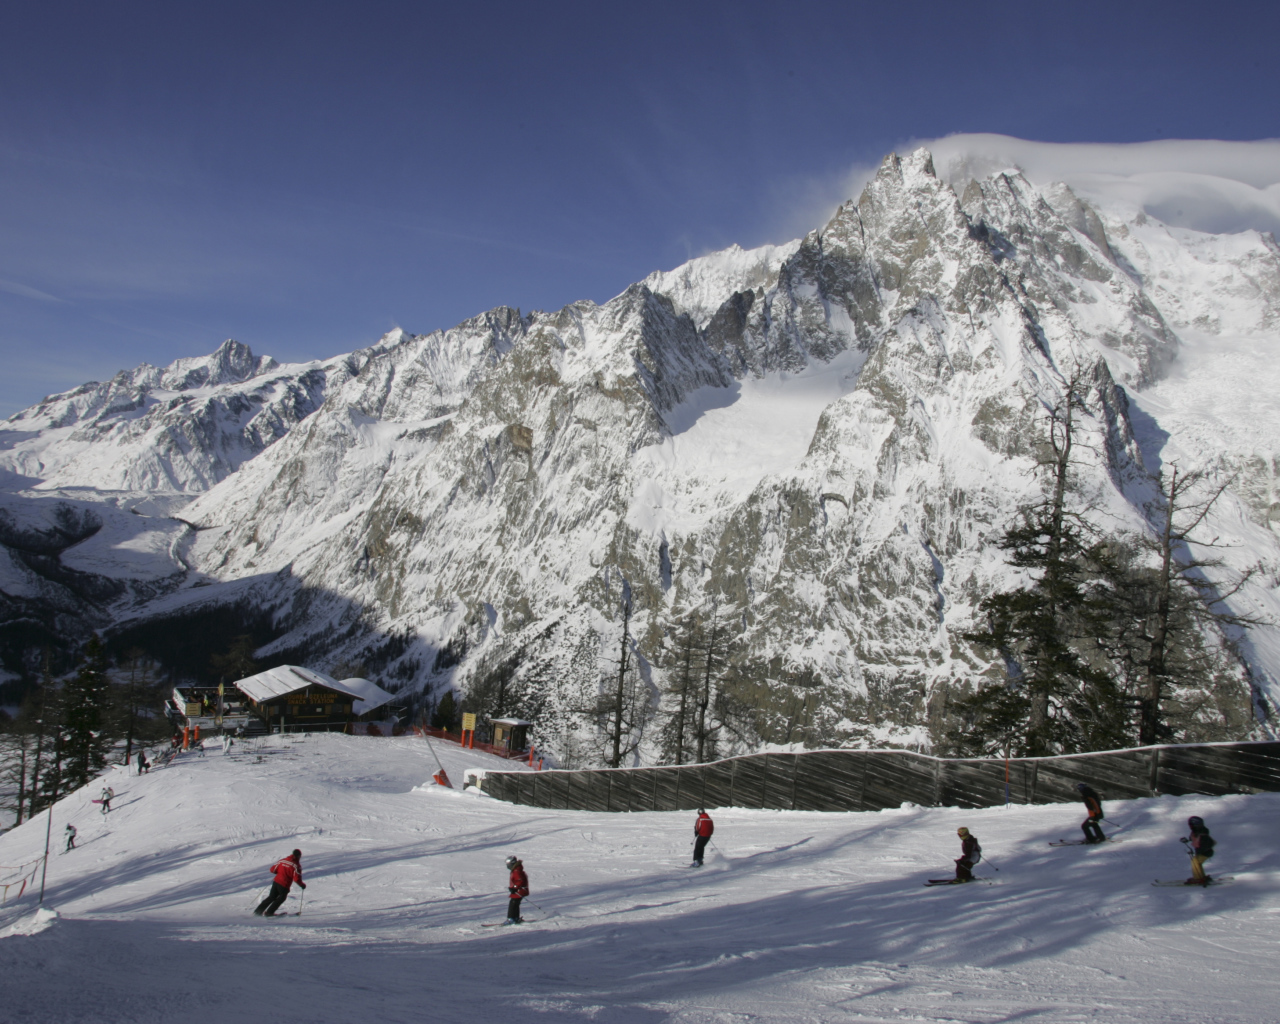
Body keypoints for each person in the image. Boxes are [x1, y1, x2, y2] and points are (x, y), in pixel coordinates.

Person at [254, 849, 306, 916]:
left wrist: (280, 873)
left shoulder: (283, 860)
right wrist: (302, 885)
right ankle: (269, 912)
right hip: (284, 884)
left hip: (276, 881)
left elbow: (272, 870)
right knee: (281, 898)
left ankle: (258, 911)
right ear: (298, 856)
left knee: (271, 897)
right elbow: (296, 879)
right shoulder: (296, 866)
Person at [1181, 816, 1216, 886]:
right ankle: (1201, 876)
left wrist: (1201, 849)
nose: (1190, 826)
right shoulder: (1196, 831)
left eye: (1191, 825)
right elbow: (1193, 838)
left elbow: (1206, 843)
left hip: (1206, 852)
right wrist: (1186, 840)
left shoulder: (1202, 834)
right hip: (1203, 852)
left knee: (1195, 861)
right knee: (1196, 862)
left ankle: (1198, 878)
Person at [504, 856, 529, 925]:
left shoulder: (516, 871)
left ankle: (511, 919)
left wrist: (514, 888)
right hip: (519, 890)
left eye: (508, 865)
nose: (507, 866)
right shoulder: (516, 869)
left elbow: (520, 881)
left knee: (513, 903)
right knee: (515, 903)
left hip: (519, 890)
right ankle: (515, 918)